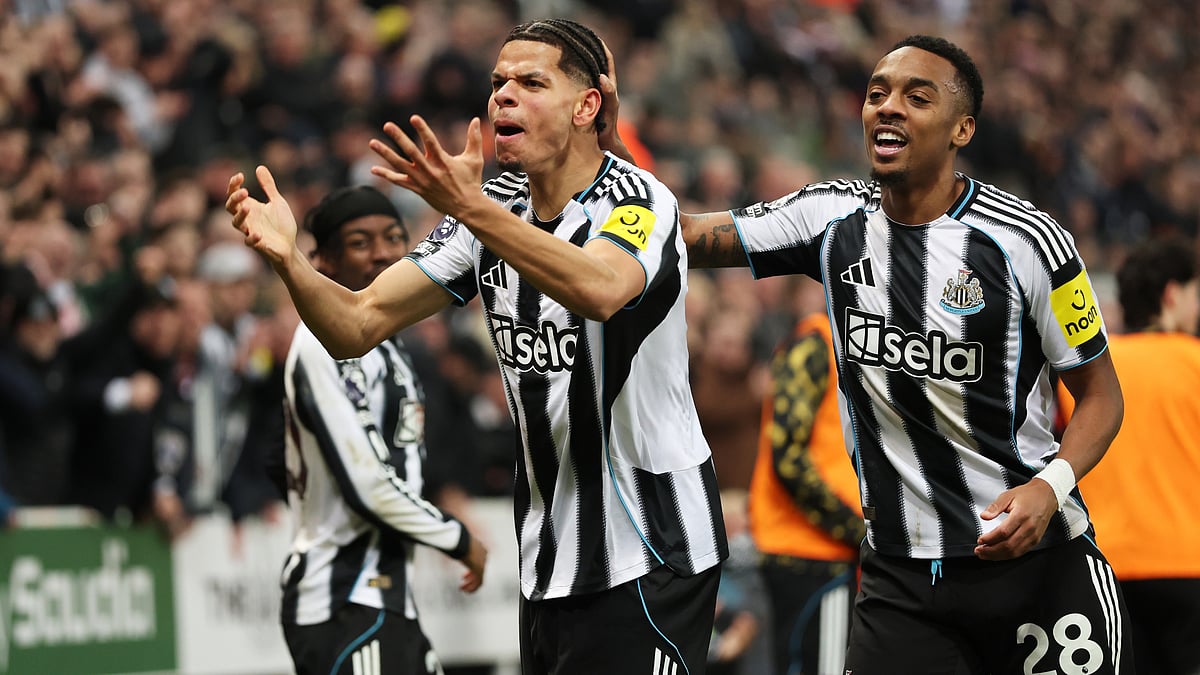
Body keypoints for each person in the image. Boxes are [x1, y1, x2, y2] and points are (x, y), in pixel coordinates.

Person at [226, 19, 727, 675]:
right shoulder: (492, 208)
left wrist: (471, 210)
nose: (503, 96)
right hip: (549, 563)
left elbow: (602, 288)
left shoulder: (637, 199)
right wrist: (289, 261)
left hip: (652, 549)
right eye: (498, 83)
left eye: (531, 83)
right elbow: (356, 323)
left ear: (586, 107)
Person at [629, 34, 1134, 672]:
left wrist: (1049, 488)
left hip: (1036, 566)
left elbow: (1102, 397)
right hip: (901, 581)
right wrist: (609, 157)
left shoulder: (1029, 242)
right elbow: (683, 238)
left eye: (917, 98)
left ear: (962, 129)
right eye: (877, 94)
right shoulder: (831, 218)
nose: (888, 107)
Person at [273, 184, 488, 675]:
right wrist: (457, 539)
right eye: (360, 242)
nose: (384, 253)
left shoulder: (390, 347)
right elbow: (365, 482)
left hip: (386, 597)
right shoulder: (320, 343)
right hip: (343, 599)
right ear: (323, 261)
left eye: (393, 237)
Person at [1059, 236, 1200, 675]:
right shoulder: (1195, 361)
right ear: (1172, 295)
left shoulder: (1087, 376)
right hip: (1189, 565)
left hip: (1103, 568)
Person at [749, 278, 864, 675]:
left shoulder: (842, 347)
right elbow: (788, 457)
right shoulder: (815, 345)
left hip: (820, 551)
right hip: (813, 553)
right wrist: (857, 531)